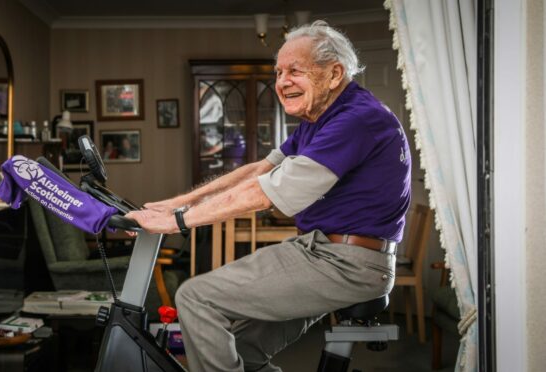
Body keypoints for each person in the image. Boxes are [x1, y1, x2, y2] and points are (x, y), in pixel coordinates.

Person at [125, 20, 411, 372]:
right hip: (321, 251)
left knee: (195, 297)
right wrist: (178, 204)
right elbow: (259, 170)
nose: (282, 82)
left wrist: (176, 222)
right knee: (240, 353)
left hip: (346, 263)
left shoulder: (356, 119)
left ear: (334, 74)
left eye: (295, 71)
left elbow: (264, 194)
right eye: (278, 72)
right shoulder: (319, 118)